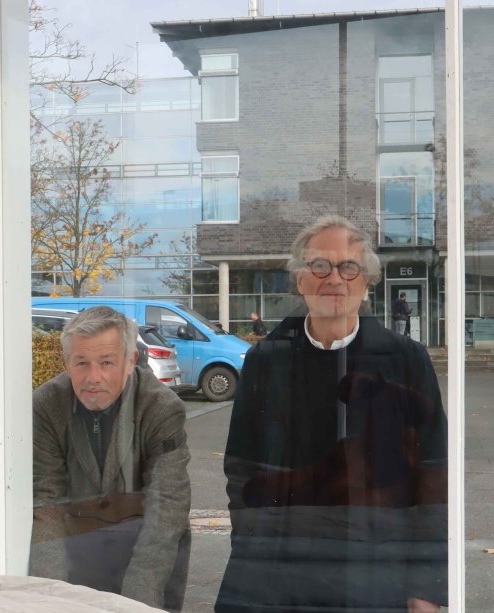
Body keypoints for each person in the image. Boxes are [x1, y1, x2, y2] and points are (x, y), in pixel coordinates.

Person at [216, 216, 447, 612]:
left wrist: (426, 586)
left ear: (367, 281)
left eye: (349, 267)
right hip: (275, 573)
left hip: (373, 570)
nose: (334, 279)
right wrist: (253, 544)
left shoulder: (406, 361)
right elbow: (241, 468)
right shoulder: (265, 360)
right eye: (319, 265)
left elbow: (433, 477)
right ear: (300, 279)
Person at [29, 306, 192, 612]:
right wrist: (48, 598)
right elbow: (45, 504)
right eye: (81, 363)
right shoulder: (46, 406)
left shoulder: (161, 407)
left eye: (106, 363)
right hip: (73, 546)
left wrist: (136, 604)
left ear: (130, 362)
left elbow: (167, 505)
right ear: (66, 362)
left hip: (146, 550)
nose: (93, 377)